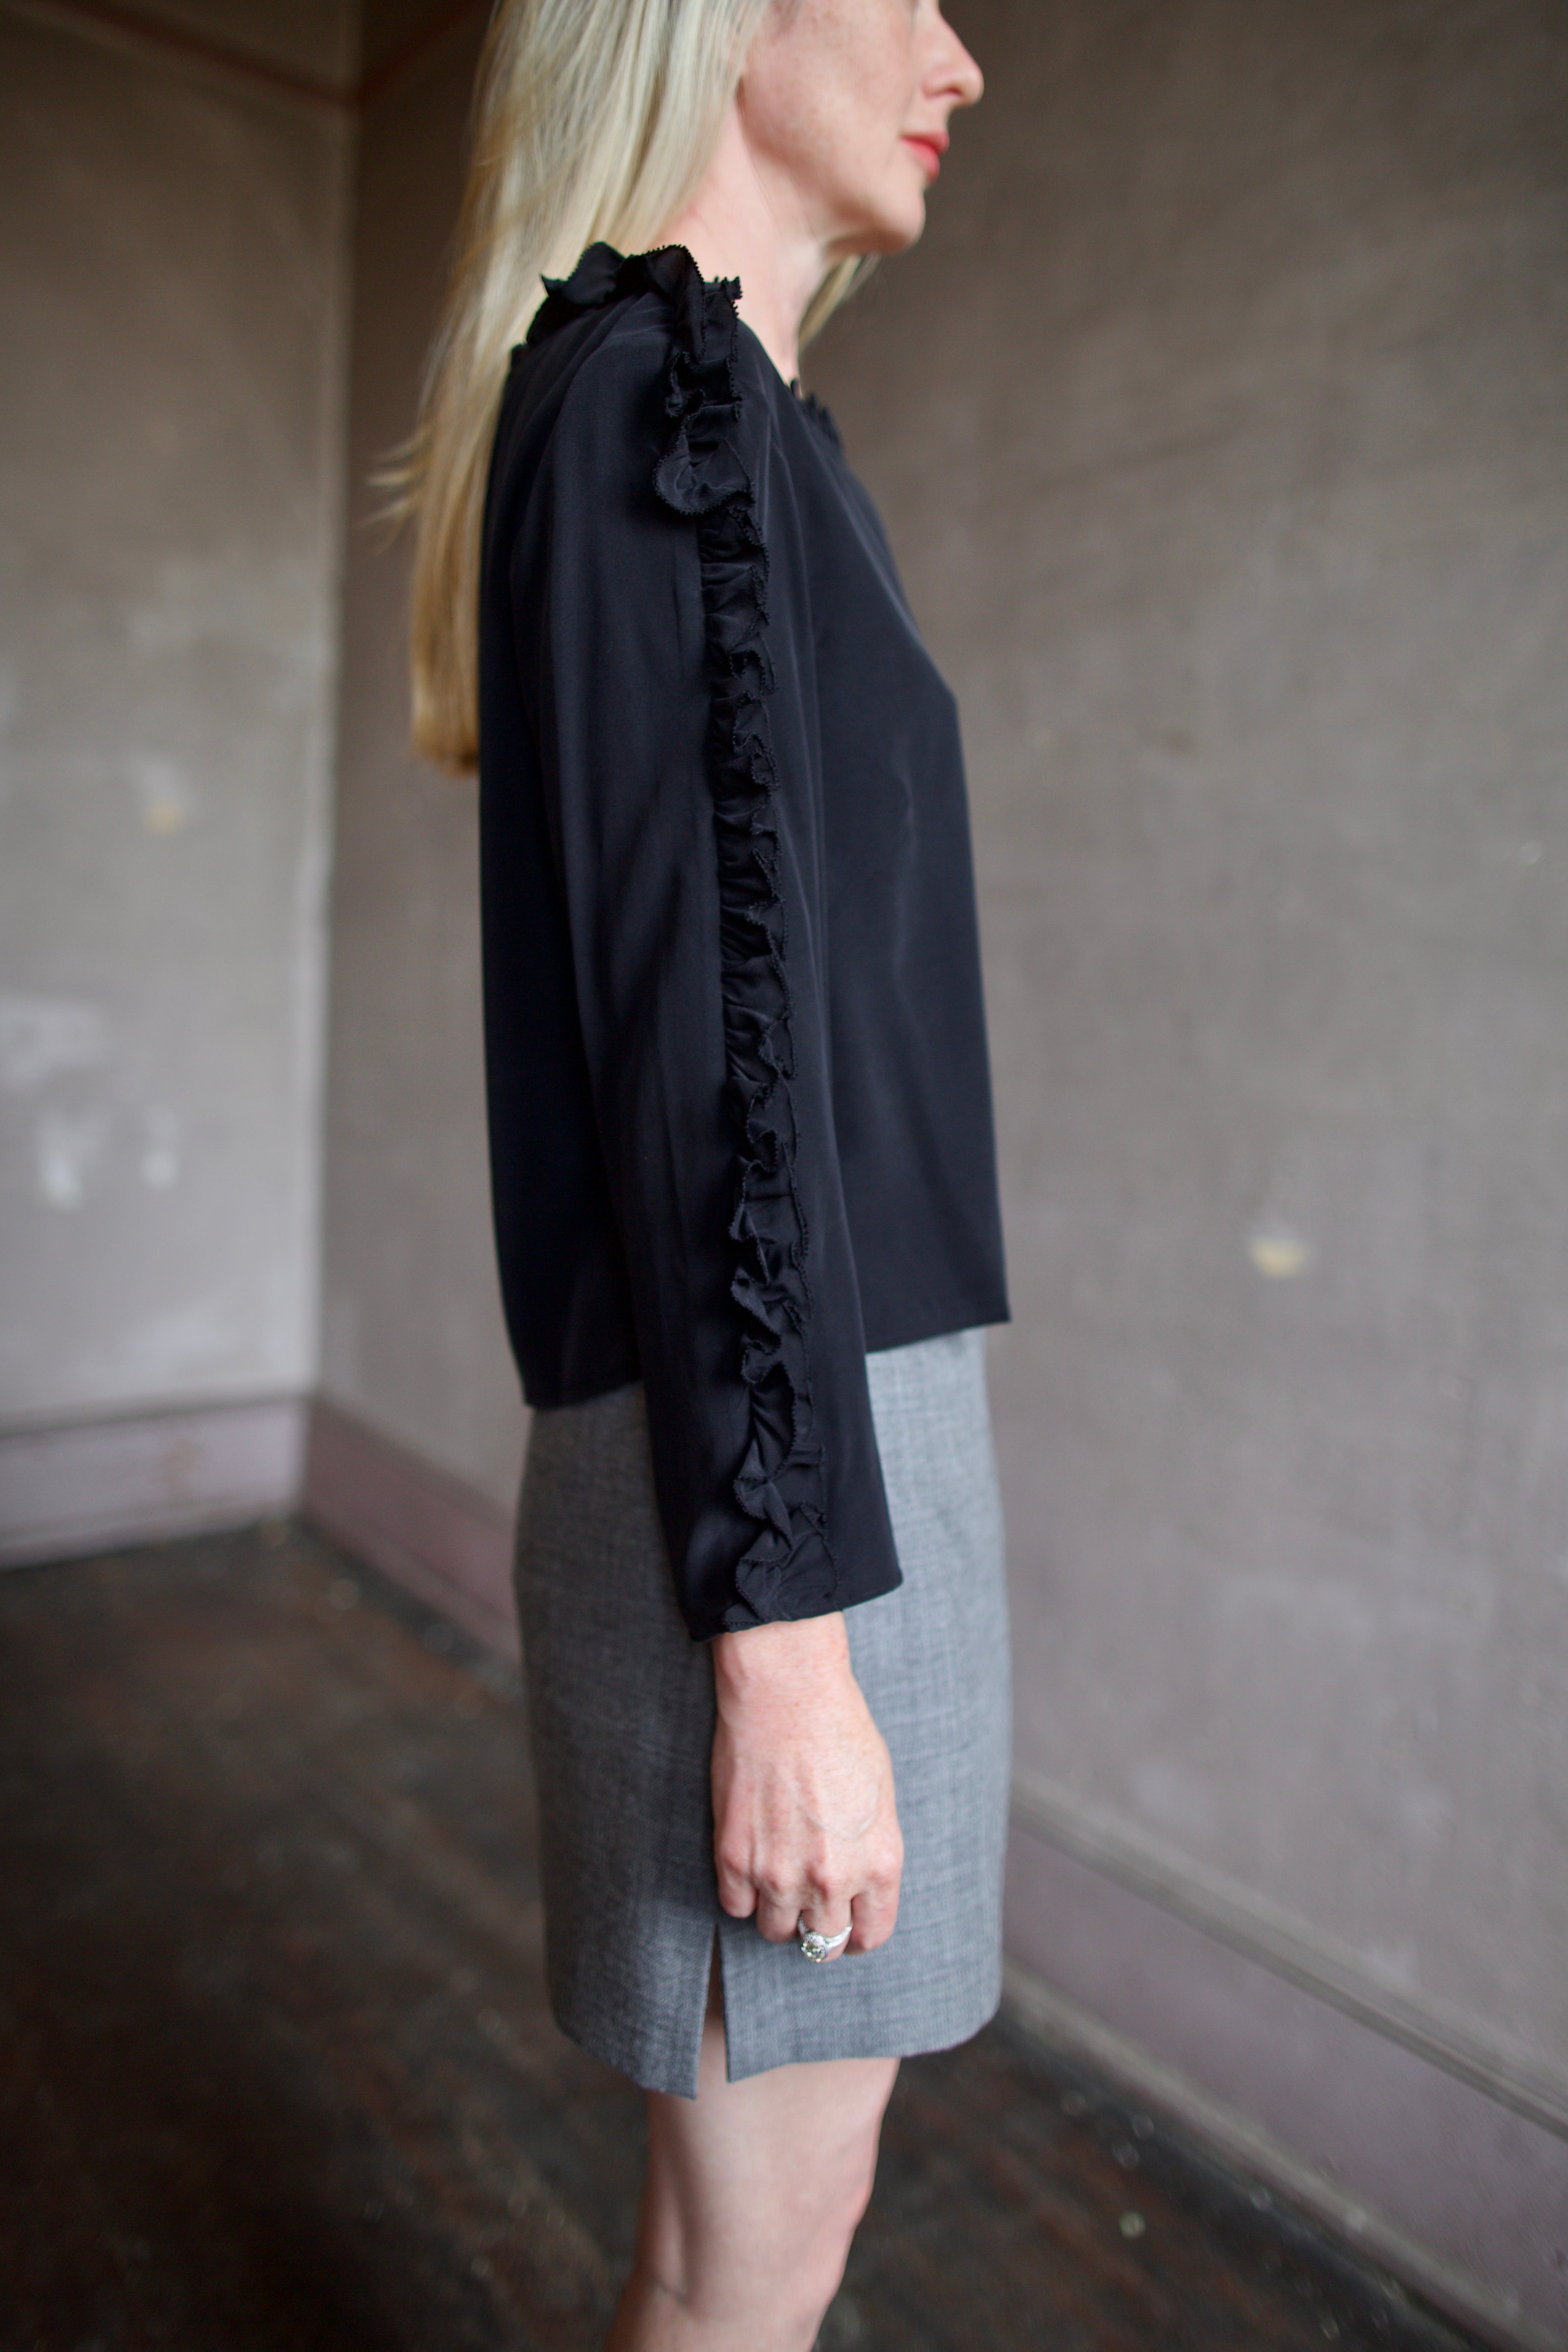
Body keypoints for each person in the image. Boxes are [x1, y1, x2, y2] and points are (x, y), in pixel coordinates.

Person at [400, 4, 1005, 2344]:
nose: (965, 53)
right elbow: (703, 1063)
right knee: (760, 2251)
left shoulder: (734, 419)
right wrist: (783, 1637)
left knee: (747, 2230)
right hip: (771, 1473)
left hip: (807, 1439)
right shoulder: (659, 394)